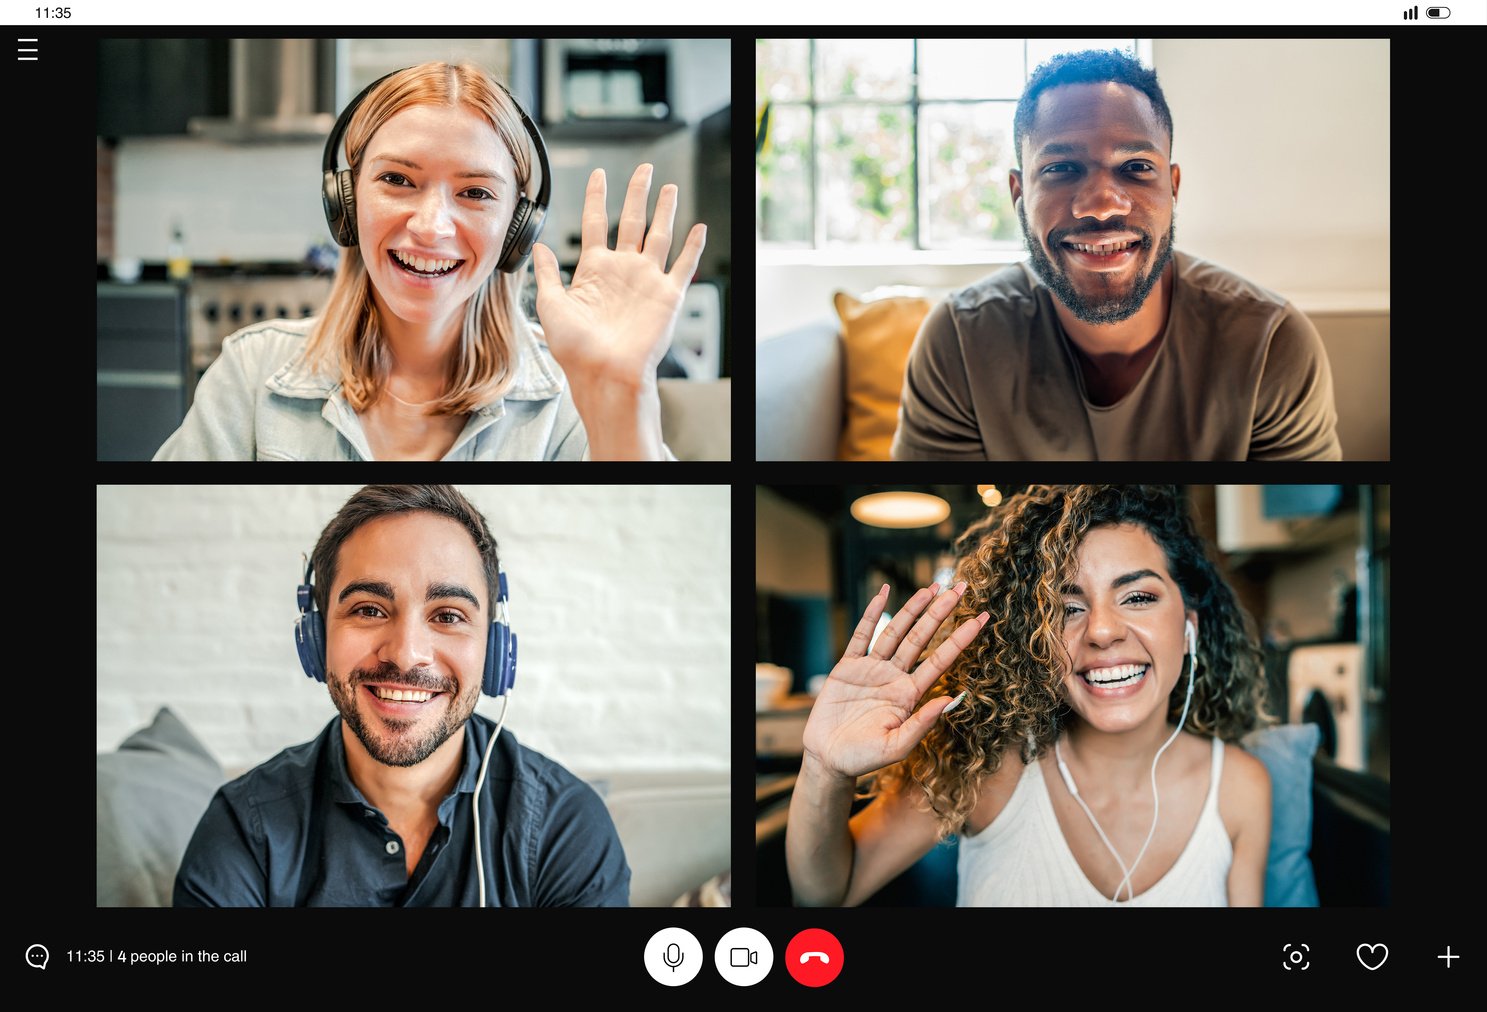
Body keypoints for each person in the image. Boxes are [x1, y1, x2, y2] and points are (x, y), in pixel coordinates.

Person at [154, 62, 706, 460]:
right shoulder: (250, 376)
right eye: (397, 180)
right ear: (345, 201)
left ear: (518, 227)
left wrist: (620, 390)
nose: (431, 226)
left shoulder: (568, 393)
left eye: (476, 193)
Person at [786, 485, 1272, 906]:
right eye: (1066, 608)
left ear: (1190, 625)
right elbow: (827, 893)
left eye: (1138, 597)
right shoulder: (990, 768)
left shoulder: (1240, 787)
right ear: (1032, 639)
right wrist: (824, 768)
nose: (1101, 630)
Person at [174, 484, 629, 906]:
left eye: (448, 616)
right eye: (369, 609)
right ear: (316, 639)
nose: (407, 655)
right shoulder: (243, 828)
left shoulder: (564, 826)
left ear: (496, 648)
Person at [892, 50, 1340, 461]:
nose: (1102, 204)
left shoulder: (1271, 344)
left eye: (1136, 168)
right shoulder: (958, 343)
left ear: (1173, 187)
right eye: (1061, 169)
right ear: (1019, 194)